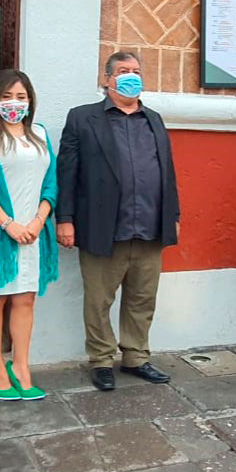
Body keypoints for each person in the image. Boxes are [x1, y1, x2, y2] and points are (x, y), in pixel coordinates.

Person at [56, 52, 181, 391]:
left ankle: (136, 356)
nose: (131, 77)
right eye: (124, 71)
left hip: (150, 227)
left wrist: (173, 216)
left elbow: (167, 172)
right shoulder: (83, 118)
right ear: (108, 79)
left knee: (143, 298)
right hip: (103, 228)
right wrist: (64, 219)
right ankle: (100, 359)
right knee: (98, 300)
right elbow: (67, 172)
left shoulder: (153, 119)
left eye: (136, 71)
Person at [0, 69, 59, 400]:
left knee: (25, 297)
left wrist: (37, 221)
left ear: (30, 102)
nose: (13, 103)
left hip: (33, 232)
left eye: (20, 97)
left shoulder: (41, 134)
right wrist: (9, 224)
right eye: (6, 97)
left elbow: (52, 182)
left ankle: (21, 365)